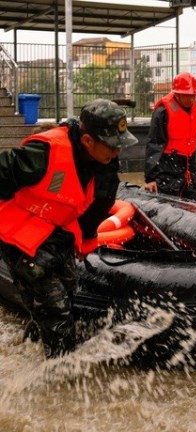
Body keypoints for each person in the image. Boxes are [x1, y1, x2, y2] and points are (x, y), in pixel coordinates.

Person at [0, 99, 138, 358]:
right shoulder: (44, 152)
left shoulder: (106, 159)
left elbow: (101, 202)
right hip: (22, 238)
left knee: (67, 291)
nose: (117, 152)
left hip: (57, 233)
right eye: (112, 146)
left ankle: (31, 347)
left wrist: (87, 239)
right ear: (87, 141)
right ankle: (59, 379)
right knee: (56, 310)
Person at [144, 71, 196, 200]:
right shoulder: (163, 112)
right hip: (167, 165)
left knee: (193, 203)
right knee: (169, 205)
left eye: (193, 95)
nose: (190, 99)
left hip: (190, 164)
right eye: (186, 95)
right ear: (176, 93)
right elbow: (154, 144)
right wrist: (151, 178)